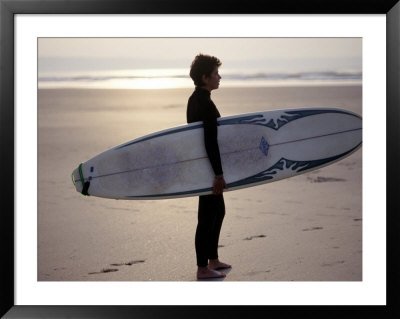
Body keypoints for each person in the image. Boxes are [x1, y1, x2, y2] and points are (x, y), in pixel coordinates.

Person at [187, 54, 231, 279]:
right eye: (215, 74)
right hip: (207, 168)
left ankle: (212, 259)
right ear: (205, 77)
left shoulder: (198, 98)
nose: (219, 77)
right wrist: (218, 174)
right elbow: (209, 140)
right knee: (206, 217)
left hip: (204, 165)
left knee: (218, 211)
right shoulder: (203, 102)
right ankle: (202, 268)